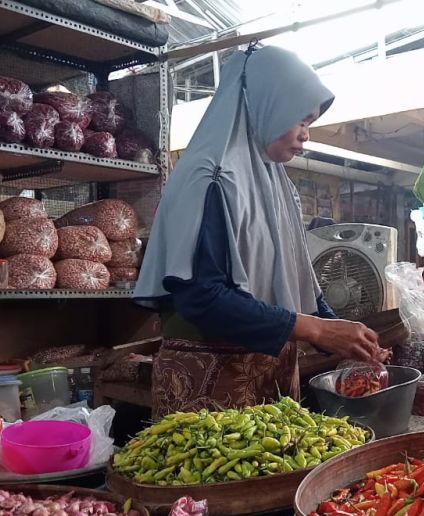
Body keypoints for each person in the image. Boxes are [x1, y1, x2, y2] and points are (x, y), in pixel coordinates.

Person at [135, 45, 386, 417]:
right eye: (301, 121)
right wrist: (315, 330)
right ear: (269, 104)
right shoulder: (211, 177)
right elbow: (201, 296)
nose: (306, 136)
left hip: (270, 371)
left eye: (309, 124)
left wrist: (342, 333)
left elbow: (293, 279)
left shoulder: (274, 183)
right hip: (211, 378)